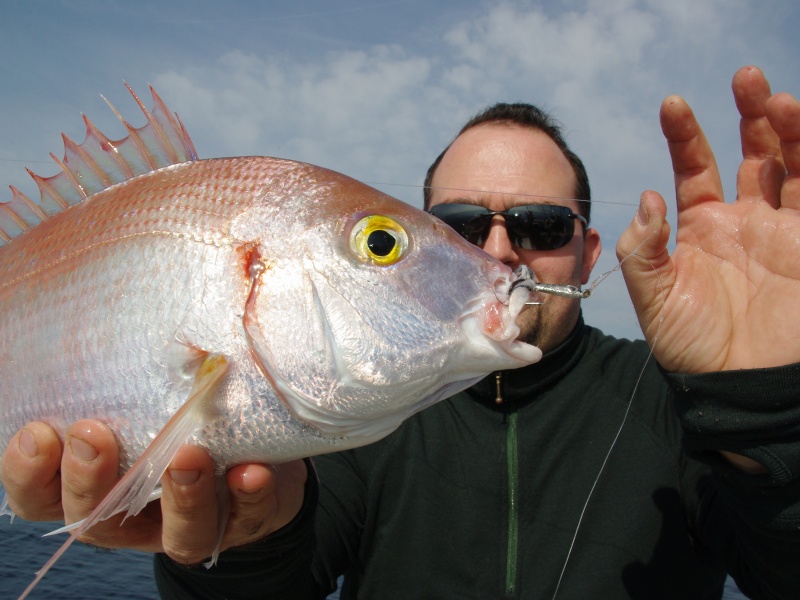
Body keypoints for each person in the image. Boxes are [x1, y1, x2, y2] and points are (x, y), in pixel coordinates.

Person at [3, 65, 800, 599]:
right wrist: (231, 540)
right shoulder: (365, 421)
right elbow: (274, 577)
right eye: (447, 228)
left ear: (589, 249)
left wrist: (766, 408)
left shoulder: (678, 407)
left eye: (540, 223)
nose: (497, 252)